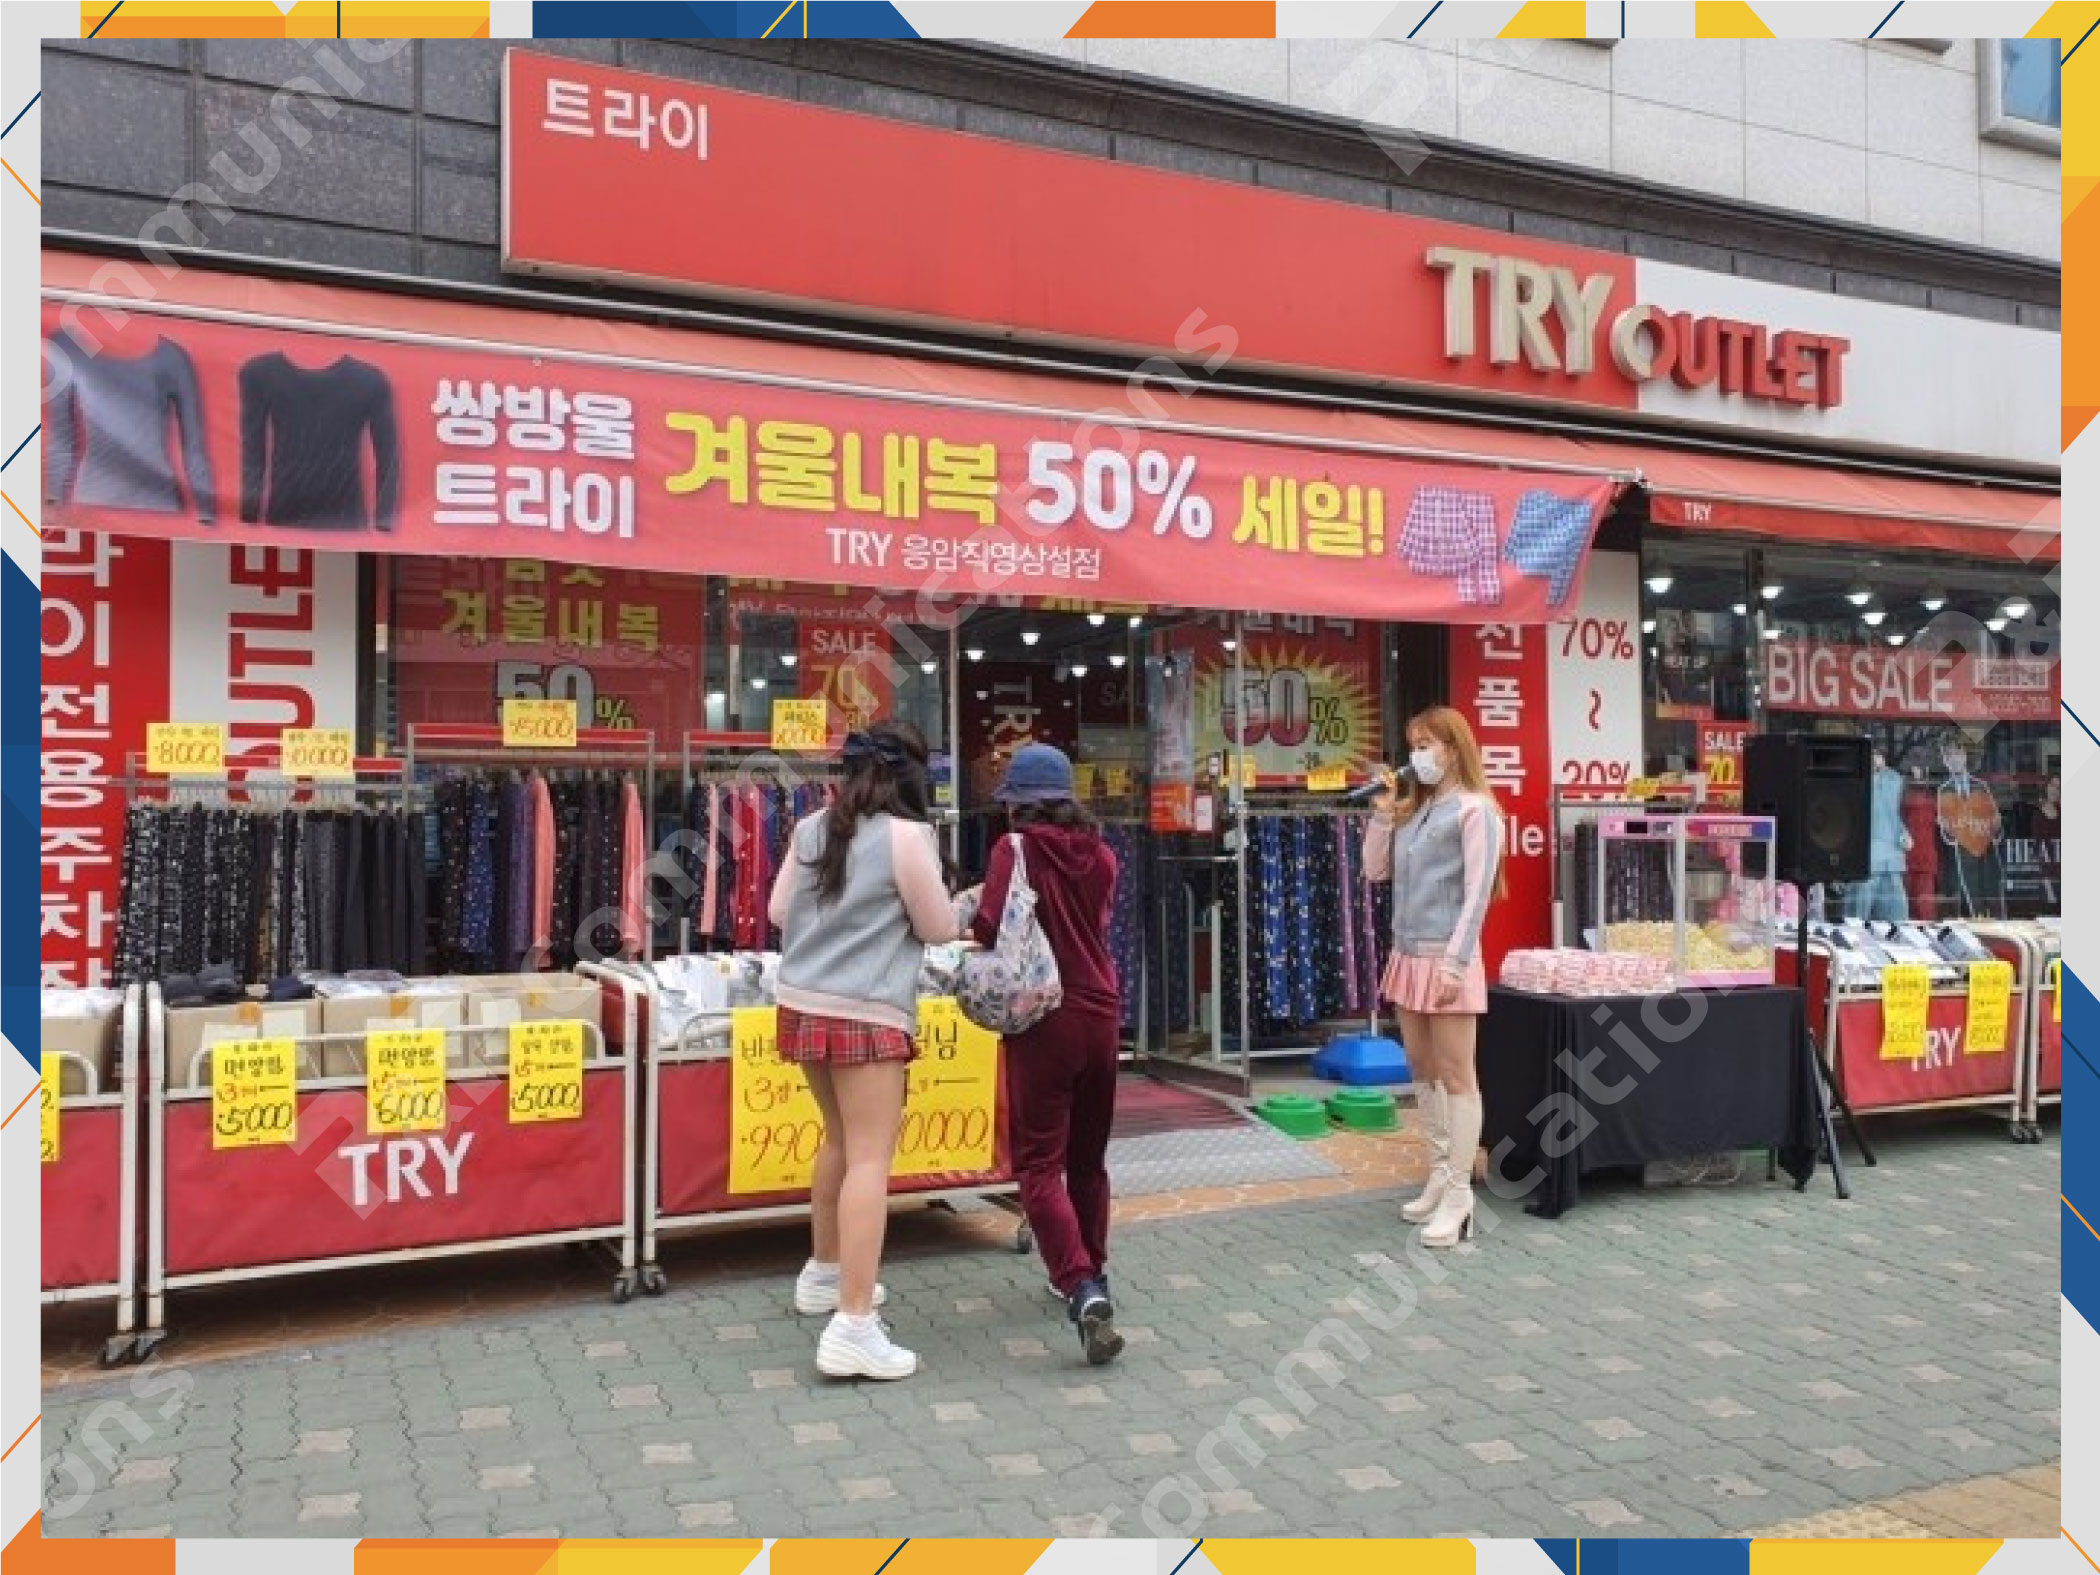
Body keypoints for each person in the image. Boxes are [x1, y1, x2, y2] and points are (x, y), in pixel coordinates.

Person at [769, 720, 960, 1380]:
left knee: (839, 1141)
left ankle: (824, 1274)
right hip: (868, 1008)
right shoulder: (906, 836)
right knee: (871, 1158)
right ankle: (853, 1324)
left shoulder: (810, 829)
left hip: (802, 1000)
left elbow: (778, 910)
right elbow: (938, 925)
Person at [969, 743, 1125, 1365]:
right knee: (1089, 1160)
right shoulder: (1104, 855)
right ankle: (1095, 1271)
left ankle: (1079, 1285)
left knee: (1038, 1164)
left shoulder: (1015, 850)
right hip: (1102, 1013)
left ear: (1018, 804)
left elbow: (987, 928)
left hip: (1044, 1016)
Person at [1363, 706, 1506, 1249]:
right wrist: (1382, 816)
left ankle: (1460, 1194)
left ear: (1453, 748)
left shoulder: (1476, 810)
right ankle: (1440, 1174)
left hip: (1448, 956)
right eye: (1414, 744)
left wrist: (1455, 962)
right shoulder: (1416, 810)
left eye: (1427, 744)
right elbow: (1375, 871)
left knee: (1456, 1075)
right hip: (1407, 955)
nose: (1417, 755)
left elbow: (1477, 893)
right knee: (1422, 1069)